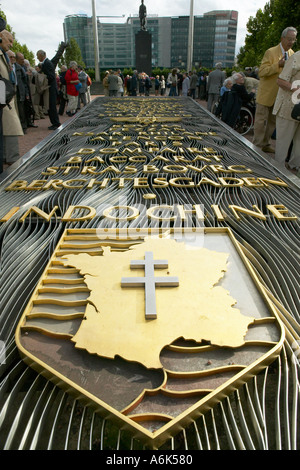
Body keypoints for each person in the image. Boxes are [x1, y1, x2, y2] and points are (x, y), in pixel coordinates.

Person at [253, 27, 297, 153]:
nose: (291, 42)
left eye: (293, 40)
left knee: (272, 123)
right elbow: (262, 72)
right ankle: (257, 146)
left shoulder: (293, 54)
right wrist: (278, 64)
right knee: (261, 122)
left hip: (281, 96)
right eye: (289, 39)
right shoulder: (270, 52)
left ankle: (266, 143)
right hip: (266, 95)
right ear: (282, 38)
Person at [273, 51, 300, 173]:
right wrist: (297, 89)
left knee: (299, 147)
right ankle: (277, 173)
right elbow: (280, 81)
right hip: (287, 108)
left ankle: (295, 169)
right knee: (282, 146)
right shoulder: (296, 57)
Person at [0, 30, 23, 167]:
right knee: (10, 128)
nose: (11, 44)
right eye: (10, 40)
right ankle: (11, 158)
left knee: (9, 127)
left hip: (7, 99)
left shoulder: (4, 55)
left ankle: (8, 157)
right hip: (4, 100)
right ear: (1, 37)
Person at [36, 49, 61, 130]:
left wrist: (42, 77)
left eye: (37, 56)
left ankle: (56, 123)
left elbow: (51, 76)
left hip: (51, 88)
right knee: (50, 106)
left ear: (41, 55)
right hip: (51, 88)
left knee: (51, 106)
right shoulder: (46, 63)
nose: (37, 58)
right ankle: (55, 122)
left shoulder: (47, 63)